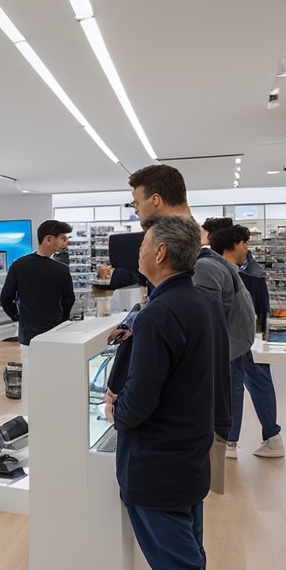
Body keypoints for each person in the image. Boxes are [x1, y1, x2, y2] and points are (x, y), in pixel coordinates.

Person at [105, 214, 227, 570]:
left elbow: (141, 399)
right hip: (187, 454)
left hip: (157, 461)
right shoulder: (198, 302)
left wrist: (117, 406)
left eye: (144, 242)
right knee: (185, 565)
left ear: (159, 254)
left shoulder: (158, 314)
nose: (138, 248)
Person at [124, 164, 244, 478]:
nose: (135, 211)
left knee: (178, 514)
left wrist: (218, 423)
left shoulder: (197, 263)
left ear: (156, 200)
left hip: (180, 433)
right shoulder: (195, 252)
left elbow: (210, 342)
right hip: (183, 425)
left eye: (137, 203)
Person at [209, 222, 284, 458]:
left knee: (238, 386)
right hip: (247, 337)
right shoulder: (241, 270)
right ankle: (270, 437)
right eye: (245, 243)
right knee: (252, 384)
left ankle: (233, 441)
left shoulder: (241, 271)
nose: (248, 248)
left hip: (242, 338)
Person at [0, 219, 76, 345]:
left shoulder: (18, 265)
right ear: (49, 239)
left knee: (29, 364)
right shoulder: (62, 270)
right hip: (54, 333)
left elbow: (5, 298)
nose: (66, 243)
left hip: (27, 335)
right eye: (63, 238)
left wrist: (17, 317)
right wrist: (62, 320)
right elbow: (69, 300)